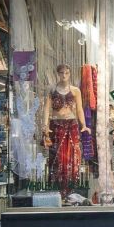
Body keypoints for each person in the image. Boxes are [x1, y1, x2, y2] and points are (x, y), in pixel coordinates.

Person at [42, 64, 90, 198]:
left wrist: (84, 125)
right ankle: (56, 190)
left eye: (67, 73)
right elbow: (47, 108)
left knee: (72, 157)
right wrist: (45, 125)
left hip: (71, 124)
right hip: (56, 125)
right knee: (57, 158)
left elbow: (79, 109)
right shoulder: (52, 90)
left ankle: (70, 190)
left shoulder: (75, 91)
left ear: (70, 74)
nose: (64, 76)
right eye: (62, 73)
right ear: (58, 74)